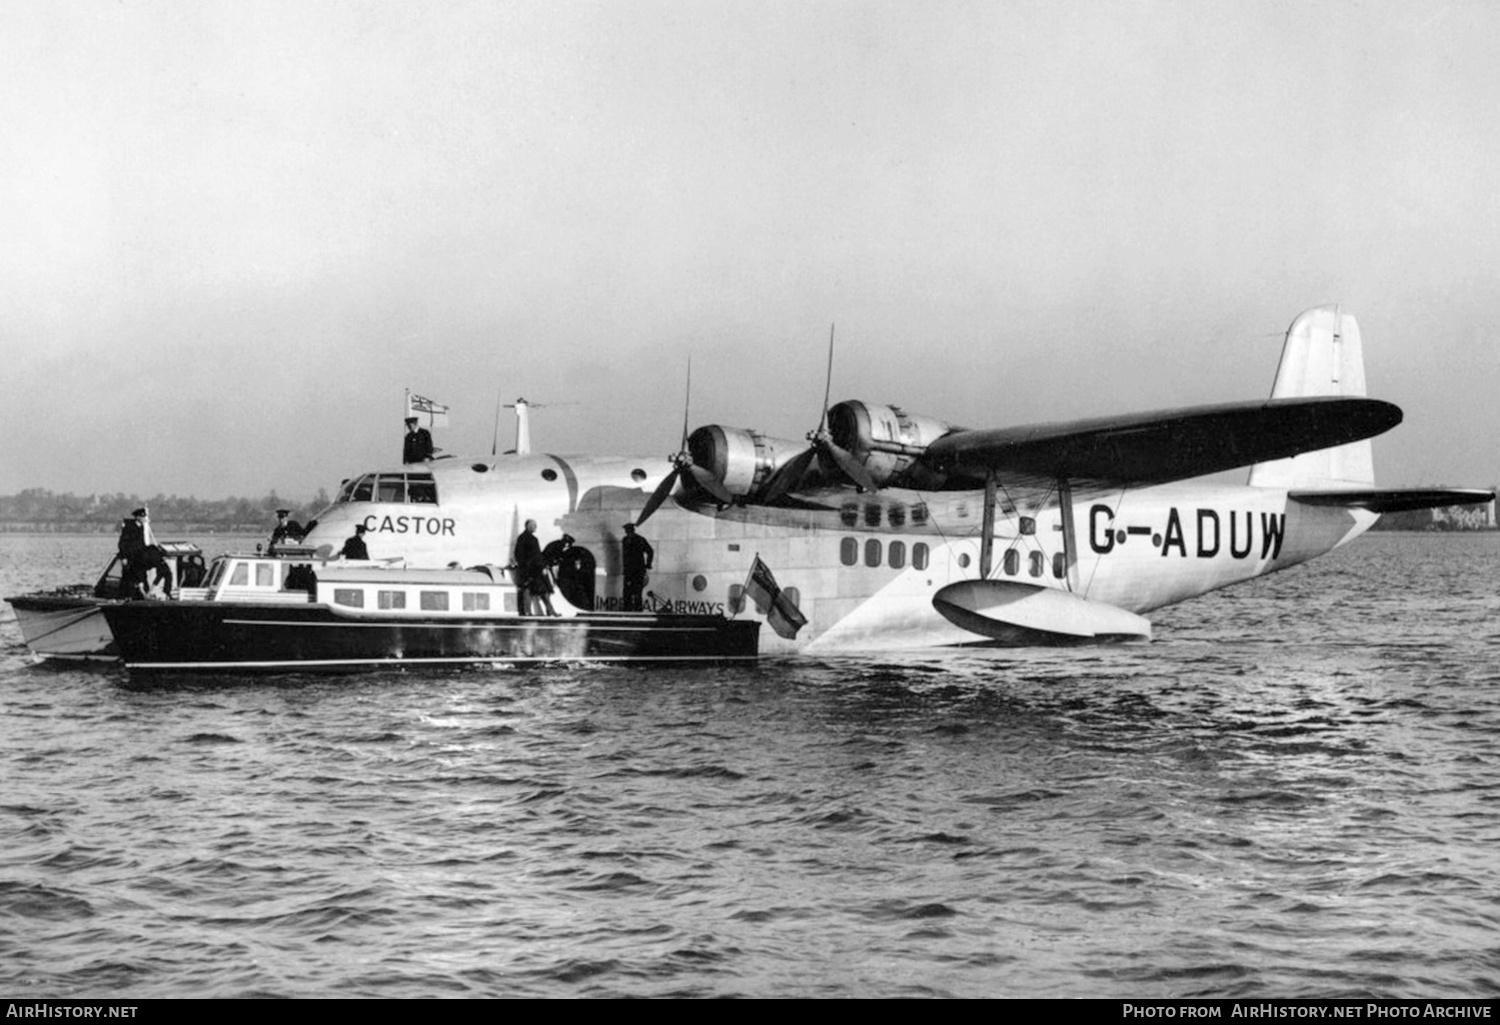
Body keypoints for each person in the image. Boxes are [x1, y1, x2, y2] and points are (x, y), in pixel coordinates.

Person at [512, 519, 556, 616]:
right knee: (531, 590)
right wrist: (527, 566)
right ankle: (530, 612)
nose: (535, 527)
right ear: (527, 526)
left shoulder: (531, 539)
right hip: (530, 571)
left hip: (534, 570)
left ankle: (549, 611)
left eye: (535, 525)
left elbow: (536, 556)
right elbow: (520, 554)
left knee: (541, 590)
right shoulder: (524, 538)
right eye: (533, 525)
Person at [116, 508, 150, 598]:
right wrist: (123, 557)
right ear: (138, 517)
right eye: (143, 517)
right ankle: (124, 596)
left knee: (142, 576)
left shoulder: (141, 527)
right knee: (128, 578)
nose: (144, 519)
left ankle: (143, 595)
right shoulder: (129, 527)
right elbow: (122, 543)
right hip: (129, 558)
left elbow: (141, 543)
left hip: (138, 558)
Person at [621, 522, 654, 612]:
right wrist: (648, 564)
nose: (627, 532)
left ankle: (635, 610)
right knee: (630, 592)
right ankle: (631, 610)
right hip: (633, 570)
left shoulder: (636, 540)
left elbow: (650, 551)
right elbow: (650, 551)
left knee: (635, 592)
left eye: (628, 531)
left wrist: (648, 564)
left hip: (636, 570)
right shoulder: (626, 540)